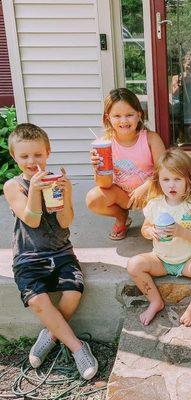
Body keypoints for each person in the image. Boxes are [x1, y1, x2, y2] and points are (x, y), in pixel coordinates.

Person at [3, 123, 98, 380]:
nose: (32, 161)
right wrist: (34, 188)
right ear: (14, 157)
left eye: (37, 154)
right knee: (37, 299)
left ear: (48, 152)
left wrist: (65, 194)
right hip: (29, 255)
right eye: (24, 156)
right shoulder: (13, 186)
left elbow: (66, 221)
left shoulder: (56, 181)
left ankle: (52, 334)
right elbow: (31, 220)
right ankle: (78, 347)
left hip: (61, 252)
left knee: (73, 293)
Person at [127, 148, 191, 326]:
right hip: (160, 260)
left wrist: (181, 232)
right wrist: (149, 232)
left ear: (188, 180)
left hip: (188, 260)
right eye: (166, 179)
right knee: (134, 264)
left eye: (177, 179)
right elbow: (145, 227)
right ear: (158, 181)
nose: (171, 185)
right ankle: (155, 301)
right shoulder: (155, 204)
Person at [86, 88, 165, 240]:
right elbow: (105, 184)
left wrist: (145, 187)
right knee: (93, 198)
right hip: (123, 195)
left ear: (139, 115)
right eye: (117, 116)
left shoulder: (151, 139)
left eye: (129, 115)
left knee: (160, 229)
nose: (123, 121)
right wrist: (98, 169)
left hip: (151, 193)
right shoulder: (104, 144)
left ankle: (153, 219)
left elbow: (164, 171)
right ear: (108, 117)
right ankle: (122, 218)